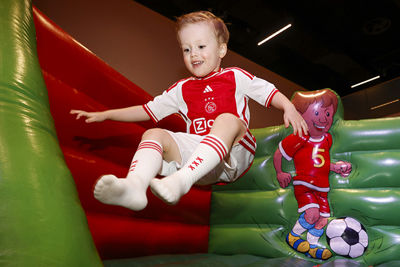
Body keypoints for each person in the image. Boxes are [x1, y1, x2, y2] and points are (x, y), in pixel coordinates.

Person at [71, 11, 308, 212]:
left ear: (222, 49)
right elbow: (147, 110)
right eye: (186, 49)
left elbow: (267, 92)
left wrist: (288, 107)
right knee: (154, 134)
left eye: (201, 46)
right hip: (200, 161)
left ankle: (181, 181)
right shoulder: (181, 89)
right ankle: (134, 187)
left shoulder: (233, 76)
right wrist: (106, 114)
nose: (193, 54)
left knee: (227, 119)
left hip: (234, 154)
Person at [273, 89, 352, 260]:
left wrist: (336, 168)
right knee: (312, 214)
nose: (324, 118)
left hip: (322, 187)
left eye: (328, 113)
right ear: (299, 116)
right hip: (305, 185)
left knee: (322, 220)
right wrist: (280, 172)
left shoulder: (326, 139)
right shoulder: (299, 138)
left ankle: (312, 245)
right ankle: (293, 236)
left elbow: (320, 162)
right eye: (317, 113)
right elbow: (279, 154)